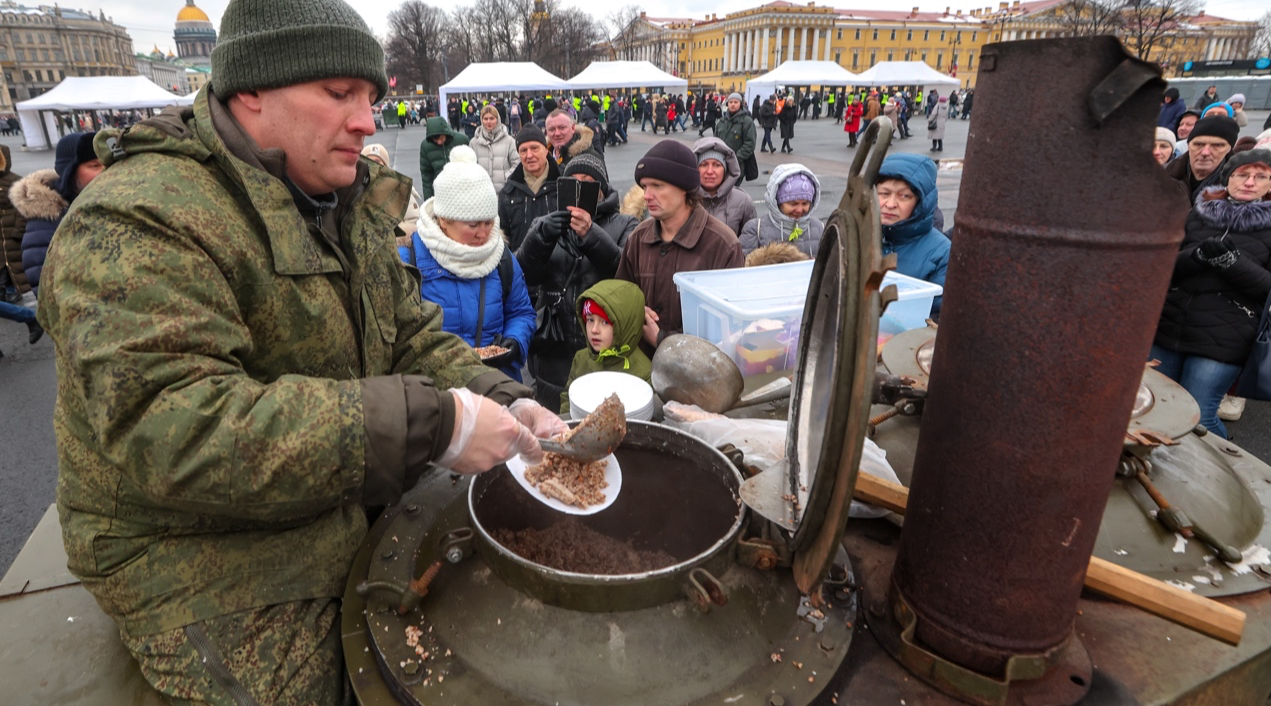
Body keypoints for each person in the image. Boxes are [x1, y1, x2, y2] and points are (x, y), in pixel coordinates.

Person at [36, 0, 568, 702]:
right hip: (190, 548)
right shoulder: (141, 217)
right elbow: (170, 427)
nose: (367, 120)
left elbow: (405, 333)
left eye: (370, 96)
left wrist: (502, 398)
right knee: (333, 684)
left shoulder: (335, 195)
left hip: (339, 487)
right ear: (251, 90)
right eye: (338, 93)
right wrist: (433, 424)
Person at [1152, 149, 1271, 439]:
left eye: (1261, 176)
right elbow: (1163, 268)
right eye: (1242, 174)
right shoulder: (1197, 214)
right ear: (1228, 177)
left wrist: (1233, 264)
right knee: (1158, 406)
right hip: (1170, 325)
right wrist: (1197, 256)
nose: (1249, 182)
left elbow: (1267, 288)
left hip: (1226, 336)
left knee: (1200, 417)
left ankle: (1225, 467)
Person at [400, 146, 535, 382]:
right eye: (472, 225)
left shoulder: (500, 256)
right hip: (436, 396)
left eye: (488, 222)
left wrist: (515, 341)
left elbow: (521, 312)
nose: (483, 234)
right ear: (443, 219)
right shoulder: (408, 260)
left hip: (496, 387)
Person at [515, 150, 637, 408]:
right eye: (573, 180)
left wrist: (591, 235)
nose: (580, 186)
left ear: (602, 187)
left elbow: (626, 273)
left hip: (600, 341)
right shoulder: (545, 223)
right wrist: (540, 236)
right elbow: (523, 275)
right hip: (553, 343)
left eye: (588, 181)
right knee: (554, 414)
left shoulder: (625, 224)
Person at [616, 140, 744, 352]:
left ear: (685, 188)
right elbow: (621, 296)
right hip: (642, 373)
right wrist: (635, 310)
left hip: (697, 377)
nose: (647, 195)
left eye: (657, 186)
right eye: (645, 186)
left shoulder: (723, 245)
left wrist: (663, 340)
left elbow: (730, 329)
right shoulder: (638, 238)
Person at [13, 131, 101, 295]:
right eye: (94, 165)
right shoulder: (45, 223)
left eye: (108, 164)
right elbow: (47, 289)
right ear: (69, 171)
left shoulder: (112, 204)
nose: (105, 171)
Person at [559, 280, 653, 413]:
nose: (594, 330)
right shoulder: (581, 359)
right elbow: (568, 400)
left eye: (605, 322)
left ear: (624, 325)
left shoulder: (644, 373)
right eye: (590, 320)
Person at [876, 153, 951, 316]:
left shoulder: (942, 254)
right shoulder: (856, 238)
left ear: (921, 203)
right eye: (884, 193)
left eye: (904, 196)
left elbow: (938, 319)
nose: (890, 204)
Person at [739, 164, 824, 259]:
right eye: (793, 204)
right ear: (777, 202)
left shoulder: (820, 228)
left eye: (805, 204)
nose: (799, 210)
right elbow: (742, 267)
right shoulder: (755, 230)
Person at [498, 125, 560, 252]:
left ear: (546, 150)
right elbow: (503, 238)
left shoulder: (563, 184)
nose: (529, 155)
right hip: (521, 267)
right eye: (523, 150)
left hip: (560, 267)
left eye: (534, 148)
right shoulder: (508, 192)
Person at [693, 137, 756, 237]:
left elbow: (750, 243)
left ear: (726, 169)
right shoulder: (683, 199)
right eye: (704, 164)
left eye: (717, 165)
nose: (709, 171)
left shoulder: (742, 201)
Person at [360, 143, 421, 246]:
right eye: (367, 161)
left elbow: (414, 221)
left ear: (385, 166)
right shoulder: (354, 191)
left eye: (377, 162)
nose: (372, 166)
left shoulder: (401, 191)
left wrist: (391, 238)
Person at [1166, 115, 1239, 201]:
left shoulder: (1243, 187)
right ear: (1188, 145)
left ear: (1229, 149)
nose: (1205, 152)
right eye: (1198, 144)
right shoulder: (1162, 175)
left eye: (1217, 145)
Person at [0, 144, 29, 304]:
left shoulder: (15, 181)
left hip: (11, 233)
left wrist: (18, 231)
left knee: (14, 263)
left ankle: (13, 290)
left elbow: (23, 208)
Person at [470, 104, 520, 192]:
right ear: (482, 120)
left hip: (504, 190)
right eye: (485, 119)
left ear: (498, 119)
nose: (488, 122)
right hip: (481, 191)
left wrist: (506, 178)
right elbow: (470, 166)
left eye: (492, 118)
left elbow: (517, 163)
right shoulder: (474, 142)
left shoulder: (509, 141)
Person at [419, 115, 470, 200]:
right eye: (435, 140)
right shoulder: (426, 146)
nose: (439, 142)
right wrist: (428, 200)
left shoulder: (462, 140)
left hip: (462, 191)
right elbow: (426, 175)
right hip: (440, 193)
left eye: (441, 138)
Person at [716, 92, 757, 184]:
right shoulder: (721, 122)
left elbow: (750, 143)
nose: (733, 104)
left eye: (735, 102)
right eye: (730, 102)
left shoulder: (747, 122)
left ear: (740, 104)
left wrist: (737, 157)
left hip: (737, 165)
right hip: (721, 164)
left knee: (732, 191)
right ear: (727, 104)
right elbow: (715, 140)